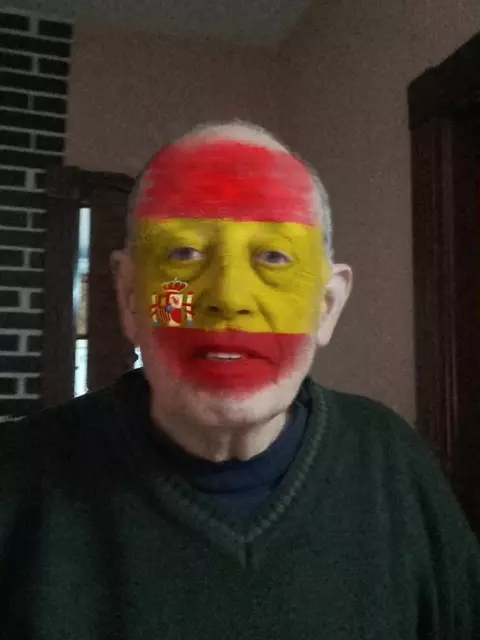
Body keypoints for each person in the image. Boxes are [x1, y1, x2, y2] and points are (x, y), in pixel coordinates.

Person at [0, 120, 479, 639]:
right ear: (130, 296)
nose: (228, 297)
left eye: (273, 257)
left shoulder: (393, 462)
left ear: (326, 305)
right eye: (184, 253)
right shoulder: (18, 476)